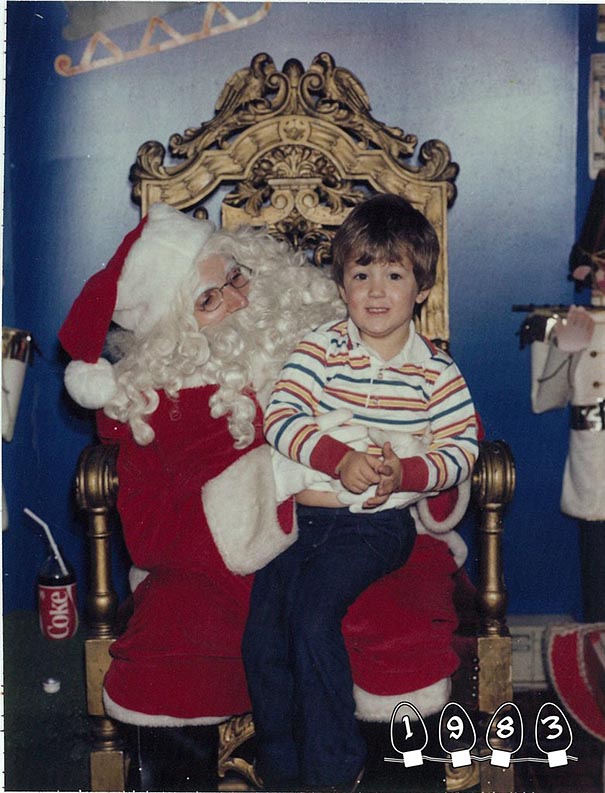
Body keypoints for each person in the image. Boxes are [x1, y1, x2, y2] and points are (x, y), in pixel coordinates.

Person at [242, 194, 479, 791]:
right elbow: (281, 416)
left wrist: (407, 473)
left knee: (314, 617)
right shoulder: (320, 349)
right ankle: (282, 764)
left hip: (375, 530)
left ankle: (332, 766)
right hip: (302, 525)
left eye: (394, 275)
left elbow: (462, 450)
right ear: (342, 282)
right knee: (263, 631)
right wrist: (336, 457)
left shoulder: (435, 371)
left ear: (421, 288)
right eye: (361, 273)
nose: (376, 290)